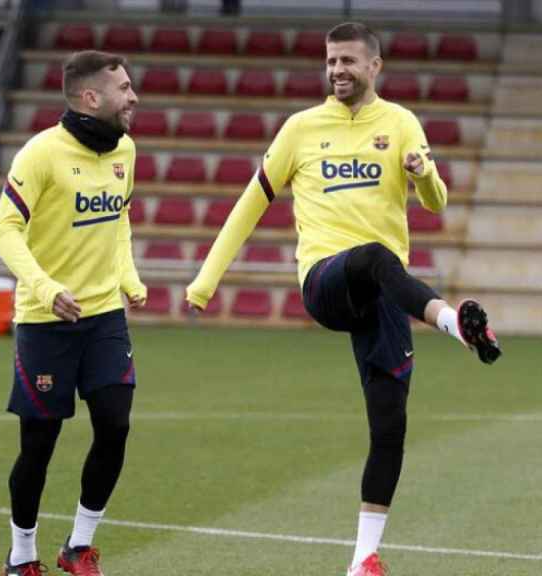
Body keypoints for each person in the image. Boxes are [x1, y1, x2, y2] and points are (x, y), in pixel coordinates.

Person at [185, 21, 501, 576]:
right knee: (377, 254)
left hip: (383, 295)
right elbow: (250, 204)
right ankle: (455, 324)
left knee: (390, 428)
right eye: (331, 61)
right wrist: (205, 282)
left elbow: (436, 203)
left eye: (349, 61)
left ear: (375, 66)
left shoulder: (400, 123)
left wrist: (423, 172)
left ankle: (363, 560)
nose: (337, 70)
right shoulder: (300, 129)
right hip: (326, 280)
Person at [0, 50, 146, 576]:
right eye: (123, 88)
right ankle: (22, 554)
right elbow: (4, 231)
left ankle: (79, 546)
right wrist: (44, 286)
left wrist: (127, 277)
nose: (133, 96)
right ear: (90, 97)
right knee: (39, 446)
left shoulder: (125, 148)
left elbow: (119, 220)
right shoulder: (40, 154)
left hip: (104, 318)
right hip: (44, 321)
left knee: (115, 424)